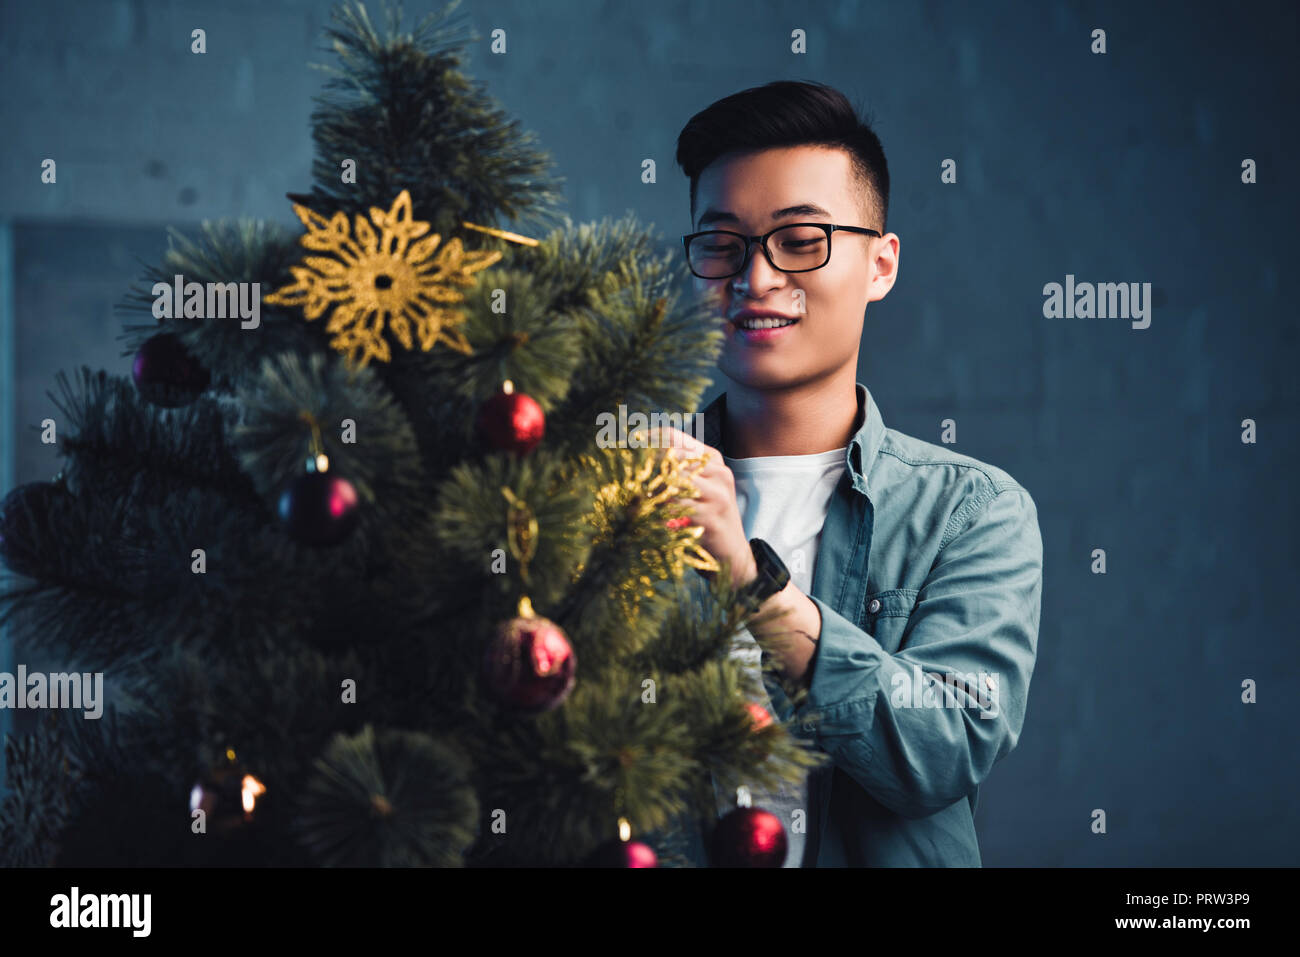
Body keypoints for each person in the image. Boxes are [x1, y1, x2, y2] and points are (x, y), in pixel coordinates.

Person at [657, 80, 1044, 866]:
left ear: (881, 263)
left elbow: (946, 747)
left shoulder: (971, 510)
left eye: (801, 240)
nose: (755, 278)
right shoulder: (622, 493)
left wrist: (748, 582)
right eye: (721, 243)